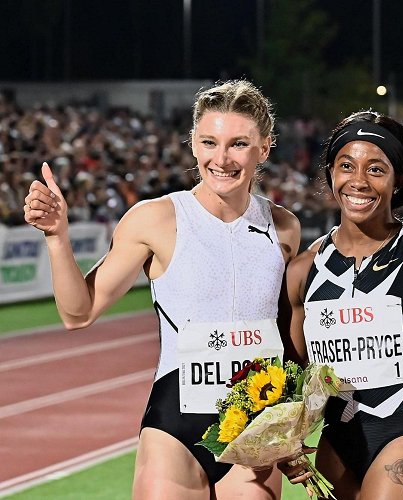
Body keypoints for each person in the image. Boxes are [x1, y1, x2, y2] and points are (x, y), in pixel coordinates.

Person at [23, 80, 301, 499]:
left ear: (264, 148)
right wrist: (57, 238)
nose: (220, 159)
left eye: (238, 144)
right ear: (192, 143)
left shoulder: (284, 227)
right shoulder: (155, 220)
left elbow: (286, 338)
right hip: (175, 427)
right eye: (209, 142)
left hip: (253, 431)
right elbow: (77, 313)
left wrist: (291, 423)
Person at [282, 110, 403, 499]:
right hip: (337, 446)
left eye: (376, 169)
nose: (358, 181)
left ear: (399, 180)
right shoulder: (302, 272)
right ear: (331, 172)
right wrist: (281, 440)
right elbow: (293, 375)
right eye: (347, 166)